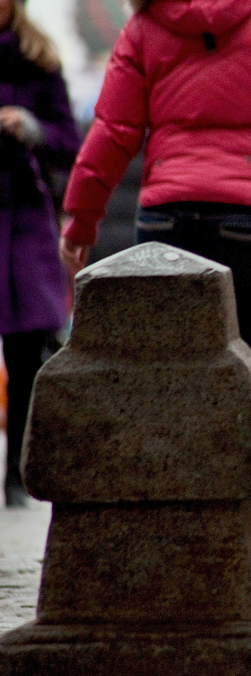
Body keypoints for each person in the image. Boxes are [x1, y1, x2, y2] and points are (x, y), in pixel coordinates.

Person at [59, 0, 251, 394]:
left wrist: (81, 220)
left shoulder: (143, 27)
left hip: (168, 223)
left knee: (166, 375)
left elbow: (113, 131)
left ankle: (171, 456)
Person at [0, 0, 82, 507]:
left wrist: (30, 128)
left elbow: (69, 141)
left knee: (30, 343)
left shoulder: (40, 60)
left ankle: (19, 473)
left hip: (26, 216)